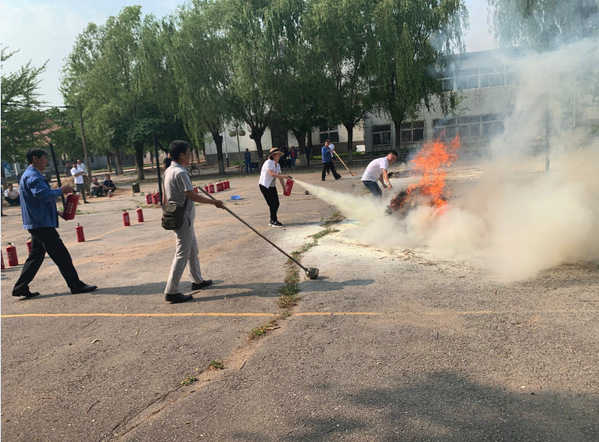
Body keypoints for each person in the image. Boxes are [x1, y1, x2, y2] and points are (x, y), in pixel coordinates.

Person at [12, 148, 97, 298]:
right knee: (61, 255)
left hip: (37, 222)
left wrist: (56, 212)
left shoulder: (32, 175)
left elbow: (39, 201)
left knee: (36, 256)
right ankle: (75, 285)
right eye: (44, 158)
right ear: (35, 159)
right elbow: (43, 195)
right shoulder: (33, 176)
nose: (46, 162)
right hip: (41, 224)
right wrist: (61, 190)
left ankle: (20, 287)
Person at [164, 140, 225, 304]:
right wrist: (215, 202)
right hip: (183, 218)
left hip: (180, 216)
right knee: (182, 253)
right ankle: (171, 291)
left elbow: (167, 195)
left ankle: (197, 280)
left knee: (192, 250)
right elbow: (192, 196)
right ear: (181, 155)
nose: (190, 156)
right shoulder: (180, 172)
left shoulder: (170, 170)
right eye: (189, 153)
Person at [259, 147, 292, 227]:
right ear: (273, 155)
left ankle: (272, 220)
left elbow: (280, 176)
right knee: (272, 204)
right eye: (278, 155)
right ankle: (274, 220)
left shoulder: (278, 165)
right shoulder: (268, 162)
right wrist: (285, 176)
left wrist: (284, 187)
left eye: (279, 155)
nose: (279, 156)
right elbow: (271, 174)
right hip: (265, 186)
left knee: (276, 203)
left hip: (272, 186)